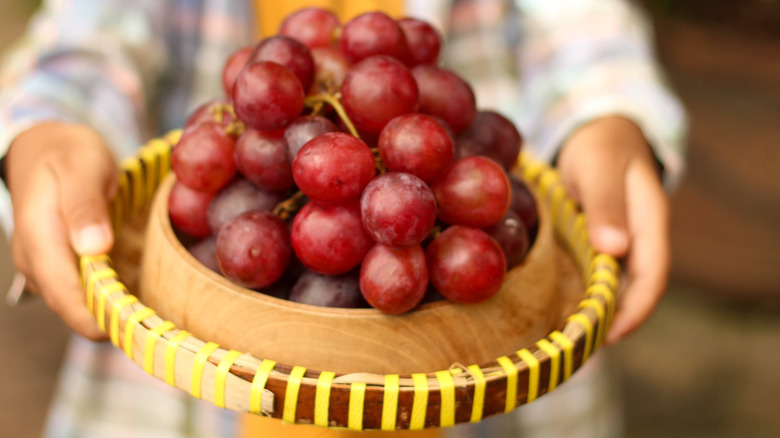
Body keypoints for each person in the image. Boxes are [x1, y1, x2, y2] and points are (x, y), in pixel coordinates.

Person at [0, 0, 686, 436]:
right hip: (175, 404)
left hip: (493, 380)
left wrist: (608, 119)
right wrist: (47, 127)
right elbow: (88, 42)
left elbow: (585, 32)